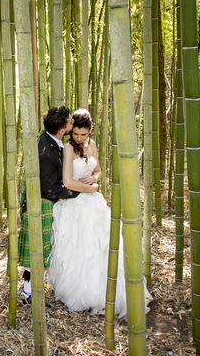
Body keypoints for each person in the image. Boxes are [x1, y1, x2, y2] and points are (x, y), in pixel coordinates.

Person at [48, 108, 151, 318]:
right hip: (74, 203)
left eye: (83, 134)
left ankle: (106, 292)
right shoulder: (68, 148)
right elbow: (68, 181)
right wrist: (92, 189)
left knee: (101, 247)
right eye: (75, 133)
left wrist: (95, 179)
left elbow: (98, 171)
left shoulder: (92, 145)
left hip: (94, 203)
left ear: (90, 132)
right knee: (80, 248)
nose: (78, 138)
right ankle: (81, 293)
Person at [18, 106, 76, 304]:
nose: (72, 123)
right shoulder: (46, 151)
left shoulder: (50, 140)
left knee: (38, 249)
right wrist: (75, 192)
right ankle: (29, 293)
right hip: (40, 204)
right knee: (36, 251)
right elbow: (50, 188)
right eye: (69, 122)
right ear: (61, 129)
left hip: (42, 200)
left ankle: (30, 290)